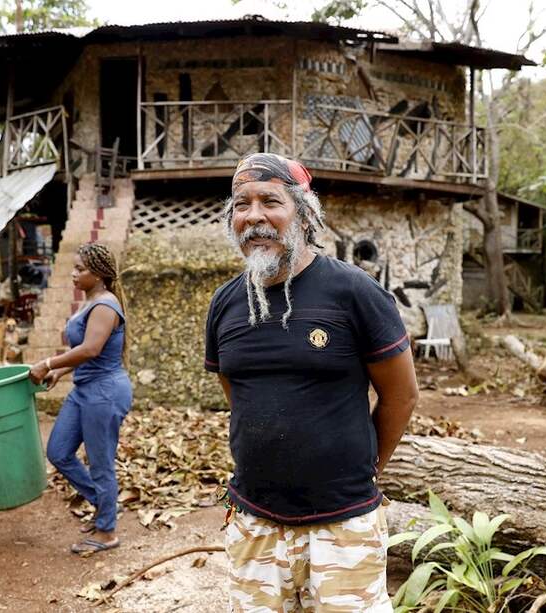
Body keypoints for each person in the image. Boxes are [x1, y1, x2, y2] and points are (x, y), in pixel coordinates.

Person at [204, 153, 419, 612]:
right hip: (254, 522)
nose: (255, 216)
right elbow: (236, 393)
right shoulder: (224, 304)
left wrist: (366, 465)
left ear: (302, 212)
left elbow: (401, 395)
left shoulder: (354, 292)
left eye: (270, 201)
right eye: (242, 204)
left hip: (343, 524)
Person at [29, 242, 132, 554]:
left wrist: (48, 363)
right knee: (58, 451)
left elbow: (91, 349)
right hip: (84, 389)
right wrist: (61, 373)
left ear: (98, 274)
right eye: (73, 268)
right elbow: (84, 352)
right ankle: (105, 506)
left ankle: (107, 532)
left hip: (104, 392)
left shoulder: (105, 305)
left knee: (100, 464)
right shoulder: (91, 301)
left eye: (80, 270)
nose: (73, 274)